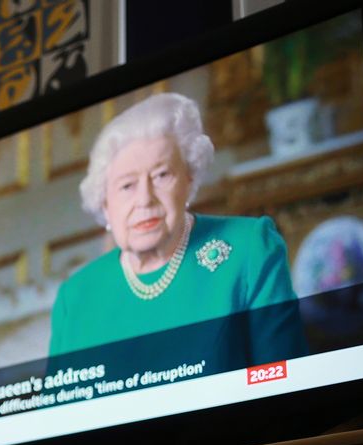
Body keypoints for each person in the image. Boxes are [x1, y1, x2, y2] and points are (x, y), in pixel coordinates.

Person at [48, 92, 308, 372]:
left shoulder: (248, 248)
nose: (145, 199)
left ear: (189, 178)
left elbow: (284, 381)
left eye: (161, 176)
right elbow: (58, 413)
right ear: (105, 204)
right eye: (127, 186)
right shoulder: (75, 297)